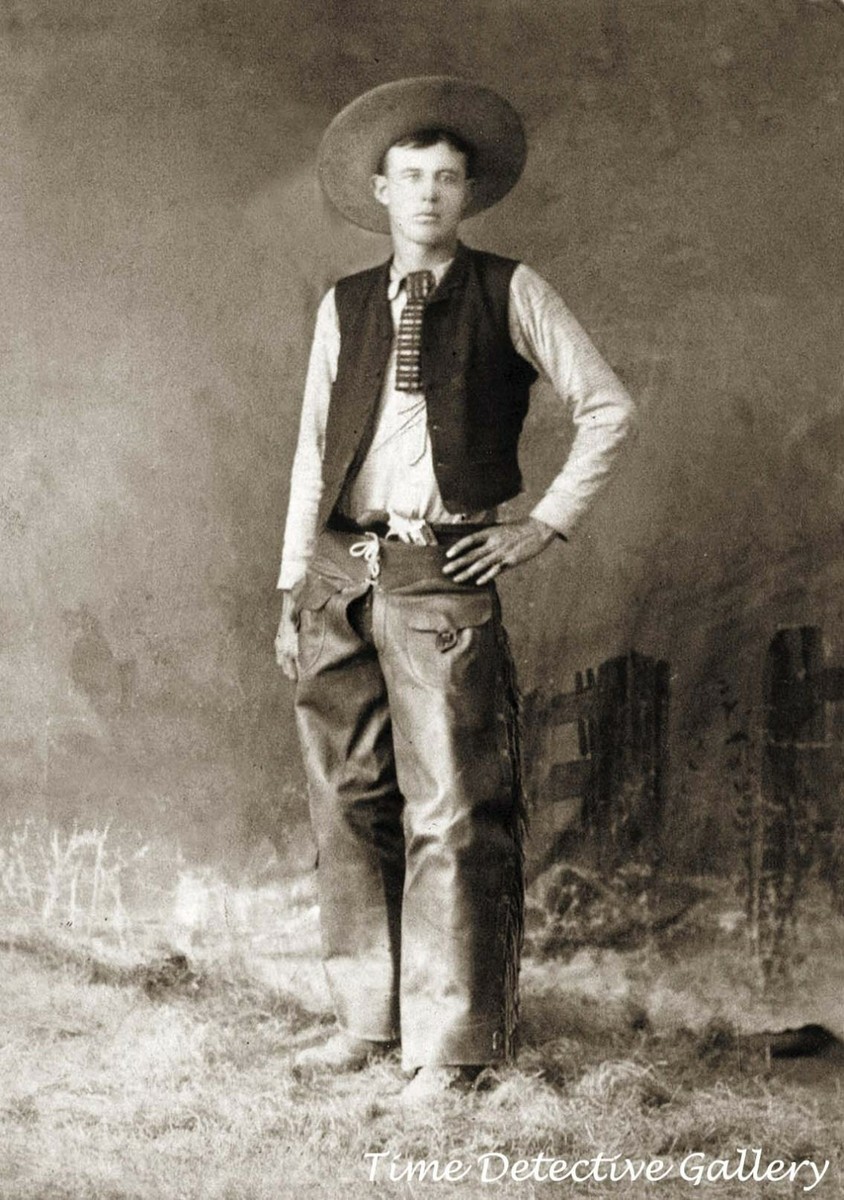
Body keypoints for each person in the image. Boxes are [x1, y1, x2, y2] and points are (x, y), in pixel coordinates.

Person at [274, 77, 636, 1105]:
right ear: (379, 191)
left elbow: (608, 407)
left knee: (452, 809)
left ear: (468, 192)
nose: (428, 195)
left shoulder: (510, 289)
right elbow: (310, 451)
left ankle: (452, 1045)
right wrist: (292, 581)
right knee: (345, 800)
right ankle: (366, 1020)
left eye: (446, 178)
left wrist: (540, 526)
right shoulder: (344, 303)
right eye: (410, 178)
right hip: (341, 566)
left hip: (443, 571)